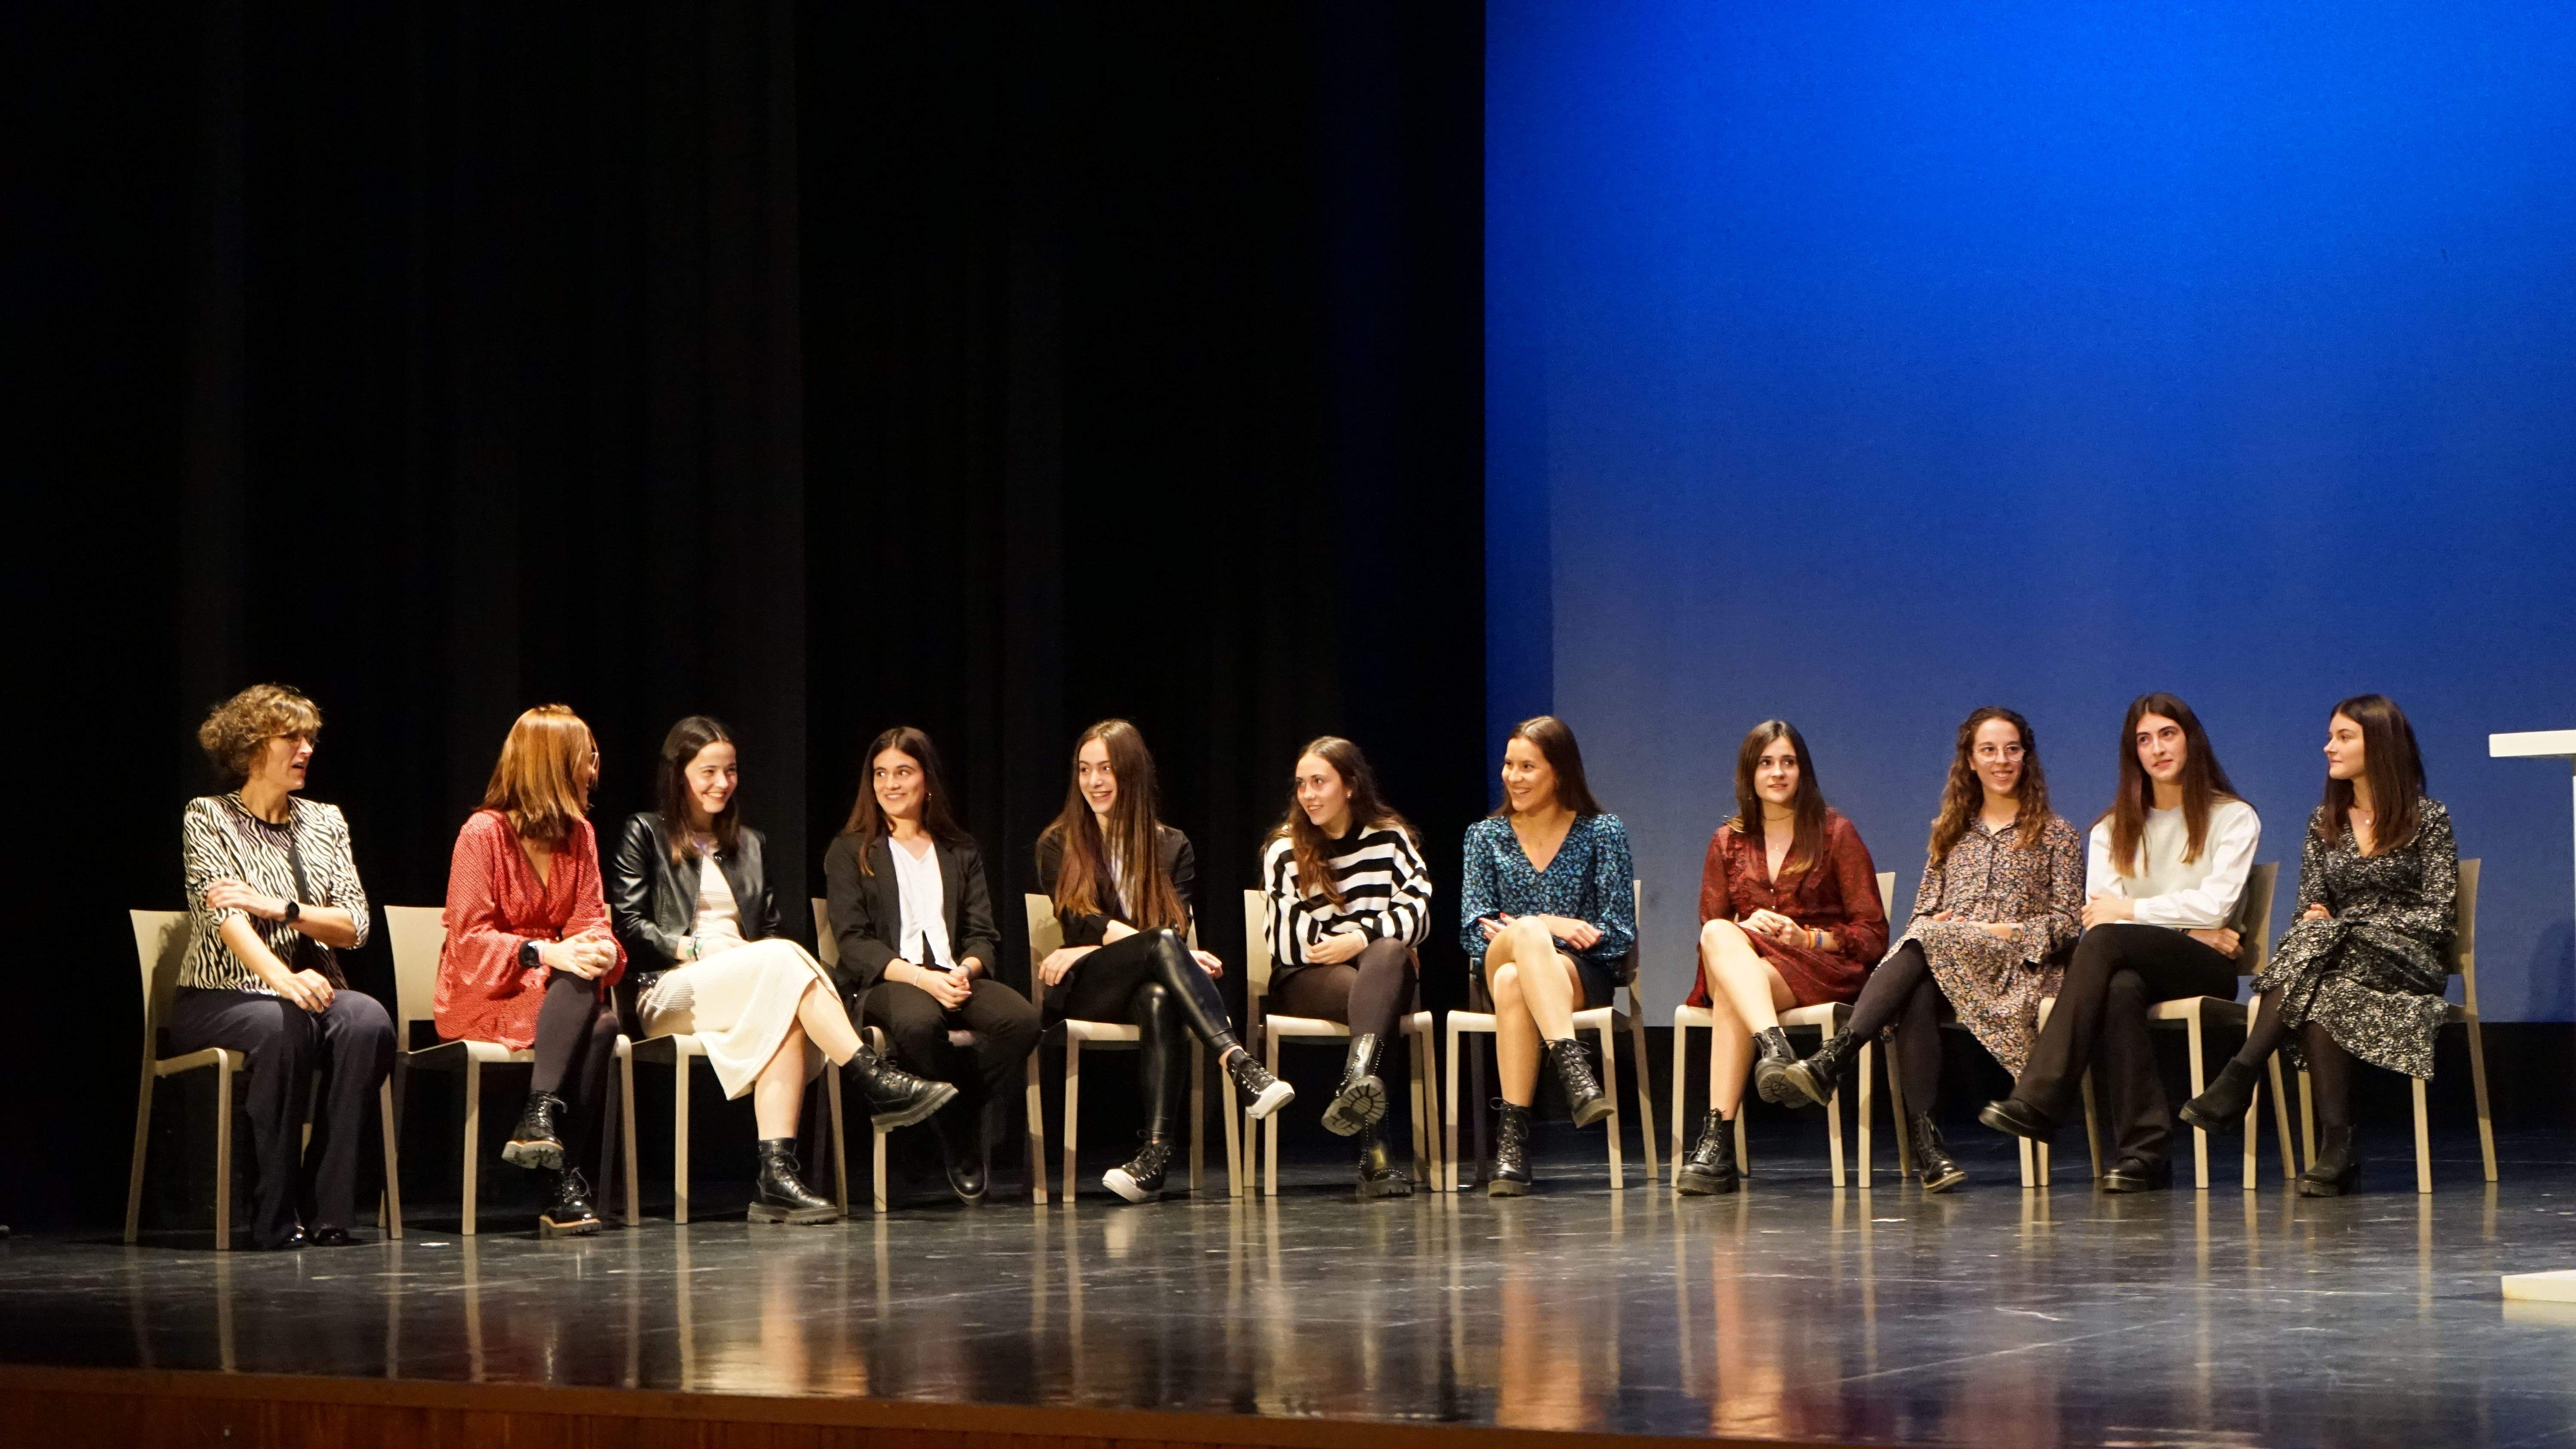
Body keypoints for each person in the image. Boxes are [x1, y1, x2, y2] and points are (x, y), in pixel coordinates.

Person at [611, 717, 953, 1226]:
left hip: (746, 982)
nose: (721, 783)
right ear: (678, 774)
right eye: (708, 772)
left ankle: (776, 1178)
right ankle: (869, 1075)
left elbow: (769, 930)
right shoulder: (646, 832)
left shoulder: (750, 843)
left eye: (729, 771)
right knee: (782, 962)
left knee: (787, 992)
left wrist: (747, 957)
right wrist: (698, 946)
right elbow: (630, 925)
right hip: (668, 989)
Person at [1773, 708, 2082, 1193]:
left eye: (2012, 749)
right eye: (1989, 750)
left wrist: (1998, 931)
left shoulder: (2057, 834)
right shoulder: (1950, 830)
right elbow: (1922, 917)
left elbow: (2067, 925)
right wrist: (1940, 926)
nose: (2001, 760)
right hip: (1946, 960)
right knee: (1916, 979)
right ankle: (1929, 1147)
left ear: (2027, 758)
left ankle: (1837, 1056)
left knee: (1922, 950)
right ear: (1971, 760)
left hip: (2015, 969)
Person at [2178, 694, 2457, 1196]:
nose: (2329, 747)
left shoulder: (2428, 818)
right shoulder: (2323, 820)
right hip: (2337, 961)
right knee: (2321, 981)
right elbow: (2310, 904)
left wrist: (2351, 921)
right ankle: (2337, 1148)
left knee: (2321, 940)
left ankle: (2241, 1073)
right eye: (2331, 736)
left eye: (2343, 737)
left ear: (2382, 743)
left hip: (2408, 957)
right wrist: (2317, 916)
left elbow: (2438, 916)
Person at [1980, 692, 2259, 1193]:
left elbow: (2212, 905)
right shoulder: (2113, 828)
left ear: (2191, 740)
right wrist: (2187, 926)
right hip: (2157, 955)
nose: (2157, 749)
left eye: (2167, 734)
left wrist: (2138, 912)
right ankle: (2144, 1153)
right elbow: (2098, 910)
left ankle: (2041, 1095)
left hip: (2207, 966)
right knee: (2120, 986)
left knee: (2109, 943)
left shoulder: (2233, 817)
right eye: (2144, 740)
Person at [1035, 719, 1291, 1203]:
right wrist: (1169, 951)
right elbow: (1087, 922)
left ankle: (1153, 1158)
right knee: (1161, 948)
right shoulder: (1058, 843)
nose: (1093, 782)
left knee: (1158, 996)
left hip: (1144, 985)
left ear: (1130, 773)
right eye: (1085, 770)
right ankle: (1239, 1063)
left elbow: (1169, 930)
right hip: (1088, 989)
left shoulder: (1173, 846)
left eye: (1106, 769)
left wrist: (1165, 949)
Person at [175, 685, 395, 1249]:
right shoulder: (210, 816)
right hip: (221, 995)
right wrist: (285, 980)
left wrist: (282, 908)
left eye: (310, 738)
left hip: (310, 992)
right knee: (282, 1024)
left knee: (367, 1020)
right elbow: (226, 919)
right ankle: (273, 1214)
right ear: (251, 750)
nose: (306, 749)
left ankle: (329, 1210)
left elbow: (355, 925)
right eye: (291, 738)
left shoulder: (324, 821)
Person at [434, 705, 628, 1237]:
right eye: (586, 757)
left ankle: (539, 1120)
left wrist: (604, 951)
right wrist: (547, 953)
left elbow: (591, 921)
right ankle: (565, 1182)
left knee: (602, 1011)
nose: (595, 768)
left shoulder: (580, 835)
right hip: (486, 991)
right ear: (554, 765)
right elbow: (470, 940)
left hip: (556, 996)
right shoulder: (482, 834)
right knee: (595, 1010)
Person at [825, 725, 1038, 1203]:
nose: (890, 784)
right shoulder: (851, 849)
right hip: (890, 980)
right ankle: (961, 1139)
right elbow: (854, 944)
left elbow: (983, 934)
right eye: (881, 774)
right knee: (919, 1023)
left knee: (1022, 1022)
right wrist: (922, 978)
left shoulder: (960, 849)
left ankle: (942, 1117)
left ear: (927, 781)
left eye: (903, 772)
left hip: (953, 974)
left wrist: (965, 970)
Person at [1674, 721, 1888, 1195]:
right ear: (1749, 773)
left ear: (1803, 770)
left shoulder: (1835, 832)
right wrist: (1745, 928)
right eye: (1766, 763)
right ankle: (1775, 1046)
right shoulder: (1726, 841)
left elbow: (1873, 934)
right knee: (1720, 938)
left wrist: (1807, 937)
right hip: (1752, 966)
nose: (1777, 772)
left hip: (1818, 967)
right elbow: (1712, 926)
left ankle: (1717, 1142)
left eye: (1788, 762)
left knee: (1732, 988)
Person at [1458, 715, 1636, 1196]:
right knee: (1526, 940)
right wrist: (1550, 925)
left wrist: (1521, 927)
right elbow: (1474, 931)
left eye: (1528, 767)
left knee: (1518, 980)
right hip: (1496, 961)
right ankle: (1572, 1064)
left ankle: (1513, 1144)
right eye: (1508, 765)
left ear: (1559, 772)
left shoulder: (1603, 832)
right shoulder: (1484, 837)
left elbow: (1618, 934)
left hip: (1575, 978)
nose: (1513, 777)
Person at [1258, 736, 1435, 1197]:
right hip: (1309, 980)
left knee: (1388, 960)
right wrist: (1371, 939)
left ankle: (1358, 1079)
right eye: (1302, 785)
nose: (1309, 795)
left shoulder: (1391, 839)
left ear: (1351, 786)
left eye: (1320, 782)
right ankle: (1375, 1153)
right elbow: (1287, 939)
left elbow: (1420, 913)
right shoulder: (1284, 849)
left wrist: (1359, 940)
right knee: (1383, 980)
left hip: (1377, 971)